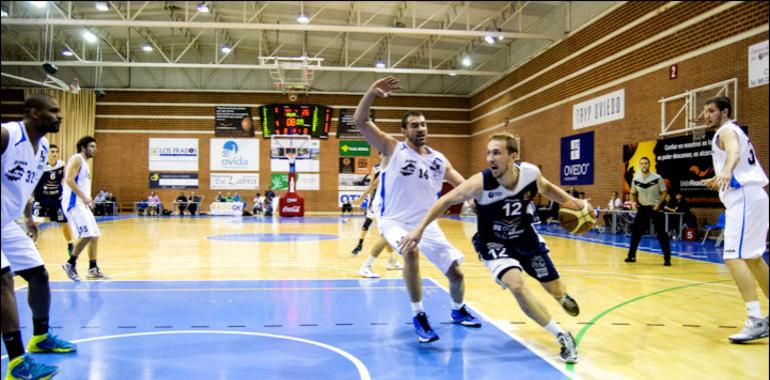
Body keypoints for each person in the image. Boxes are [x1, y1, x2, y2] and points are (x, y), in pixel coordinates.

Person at [399, 133, 581, 363]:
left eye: (496, 152)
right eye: (488, 153)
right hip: (493, 241)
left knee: (554, 289)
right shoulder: (480, 182)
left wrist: (574, 205)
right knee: (516, 285)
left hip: (525, 238)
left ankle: (561, 296)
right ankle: (562, 336)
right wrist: (419, 229)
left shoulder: (530, 174)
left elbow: (547, 188)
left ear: (513, 156)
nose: (490, 158)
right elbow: (444, 201)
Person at [354, 77, 480, 344]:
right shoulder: (391, 148)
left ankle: (458, 310)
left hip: (426, 222)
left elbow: (460, 180)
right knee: (410, 251)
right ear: (404, 130)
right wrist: (371, 92)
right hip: (394, 221)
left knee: (456, 273)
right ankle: (419, 315)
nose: (420, 128)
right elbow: (360, 121)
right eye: (414, 125)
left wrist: (474, 198)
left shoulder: (438, 158)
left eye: (423, 124)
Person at [2, 94, 77, 379]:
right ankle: (17, 363)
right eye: (54, 111)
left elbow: (25, 184)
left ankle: (41, 337)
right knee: (4, 280)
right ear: (32, 113)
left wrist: (29, 217)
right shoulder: (7, 135)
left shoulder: (44, 146)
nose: (59, 116)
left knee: (38, 276)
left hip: (7, 222)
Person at [702, 96, 769, 343]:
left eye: (711, 110)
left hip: (744, 198)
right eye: (705, 111)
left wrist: (727, 171)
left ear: (725, 111)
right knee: (753, 257)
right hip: (754, 196)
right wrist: (721, 175)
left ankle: (755, 319)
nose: (706, 115)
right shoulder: (735, 130)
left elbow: (734, 152)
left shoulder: (727, 130)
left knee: (732, 257)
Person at [61, 136, 109, 281]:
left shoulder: (86, 164)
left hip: (82, 203)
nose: (95, 149)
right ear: (83, 147)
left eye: (95, 146)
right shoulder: (77, 159)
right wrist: (84, 197)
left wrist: (87, 200)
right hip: (73, 203)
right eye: (92, 146)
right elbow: (69, 179)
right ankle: (70, 263)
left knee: (94, 234)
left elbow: (80, 183)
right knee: (87, 234)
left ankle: (92, 269)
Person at [351, 161, 403, 278]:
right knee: (387, 236)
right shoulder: (386, 169)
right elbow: (373, 185)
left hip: (389, 206)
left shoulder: (399, 169)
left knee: (387, 237)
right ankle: (367, 266)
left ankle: (391, 261)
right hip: (381, 206)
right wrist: (361, 198)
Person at [624, 157, 673, 266]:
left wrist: (658, 204)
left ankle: (667, 258)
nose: (644, 165)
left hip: (655, 207)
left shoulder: (657, 177)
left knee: (661, 233)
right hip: (642, 207)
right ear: (640, 165)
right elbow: (632, 193)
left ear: (649, 164)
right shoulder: (636, 178)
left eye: (646, 163)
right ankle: (631, 256)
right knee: (636, 232)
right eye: (641, 163)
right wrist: (633, 203)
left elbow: (664, 192)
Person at [32, 143, 75, 256]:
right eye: (52, 152)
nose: (54, 154)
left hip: (56, 199)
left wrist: (66, 193)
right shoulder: (40, 164)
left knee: (64, 222)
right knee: (35, 222)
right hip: (41, 198)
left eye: (56, 152)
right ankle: (33, 243)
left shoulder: (61, 164)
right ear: (47, 153)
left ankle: (70, 244)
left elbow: (66, 180)